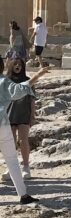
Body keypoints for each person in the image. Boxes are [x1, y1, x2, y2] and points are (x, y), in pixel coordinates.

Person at [0, 59, 49, 204]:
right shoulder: (4, 82)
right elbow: (19, 90)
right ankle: (23, 195)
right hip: (3, 125)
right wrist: (37, 76)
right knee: (12, 161)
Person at [6, 53, 34, 181]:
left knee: (23, 141)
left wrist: (32, 116)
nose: (17, 66)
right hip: (8, 115)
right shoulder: (5, 81)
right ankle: (11, 168)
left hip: (24, 114)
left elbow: (32, 100)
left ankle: (26, 167)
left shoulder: (28, 80)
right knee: (10, 143)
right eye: (15, 64)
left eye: (20, 65)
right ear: (11, 66)